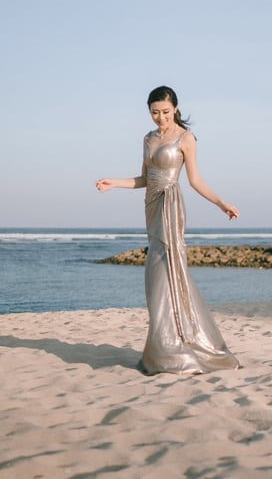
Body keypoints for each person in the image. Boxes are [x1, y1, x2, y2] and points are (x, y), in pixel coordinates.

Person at [96, 85, 240, 375]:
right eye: (154, 112)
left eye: (164, 111)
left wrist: (221, 203)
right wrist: (114, 183)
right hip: (151, 205)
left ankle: (174, 348)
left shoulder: (186, 138)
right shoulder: (148, 139)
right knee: (154, 276)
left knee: (167, 272)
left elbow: (196, 180)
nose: (160, 118)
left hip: (171, 206)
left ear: (175, 108)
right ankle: (165, 343)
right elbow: (144, 179)